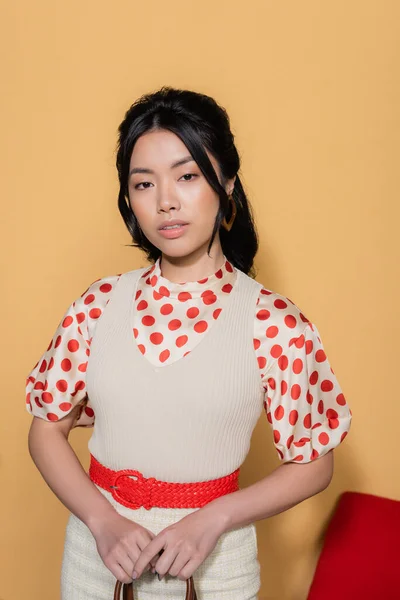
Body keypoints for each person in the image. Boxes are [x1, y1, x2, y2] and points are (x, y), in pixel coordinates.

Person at [25, 86, 352, 600]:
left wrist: (216, 516)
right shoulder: (98, 304)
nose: (166, 201)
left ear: (226, 183)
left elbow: (315, 462)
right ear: (129, 198)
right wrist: (102, 521)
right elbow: (46, 431)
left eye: (187, 175)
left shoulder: (273, 321)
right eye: (143, 183)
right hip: (97, 557)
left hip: (215, 564)